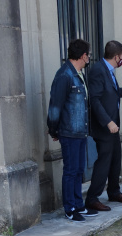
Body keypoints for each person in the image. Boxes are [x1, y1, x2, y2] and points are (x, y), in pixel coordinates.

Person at [85, 40, 122, 212]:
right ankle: (92, 198)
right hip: (105, 126)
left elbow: (109, 92)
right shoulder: (98, 71)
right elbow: (95, 100)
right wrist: (108, 122)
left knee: (116, 159)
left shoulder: (108, 70)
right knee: (104, 161)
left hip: (114, 125)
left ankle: (114, 191)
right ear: (116, 56)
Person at [47, 39, 94, 223]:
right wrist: (53, 129)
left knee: (78, 170)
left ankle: (78, 204)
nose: (89, 57)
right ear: (83, 56)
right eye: (88, 54)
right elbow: (55, 106)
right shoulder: (64, 75)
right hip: (69, 131)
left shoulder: (77, 74)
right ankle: (70, 208)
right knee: (71, 170)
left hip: (79, 131)